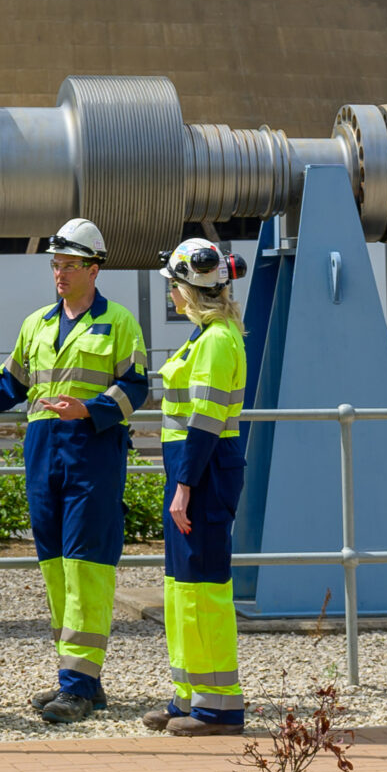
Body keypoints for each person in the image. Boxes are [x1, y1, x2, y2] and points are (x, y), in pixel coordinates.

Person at [0, 220, 147, 722]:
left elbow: (137, 387)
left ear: (94, 267)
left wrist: (88, 410)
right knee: (56, 571)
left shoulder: (119, 323)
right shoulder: (37, 324)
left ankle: (78, 686)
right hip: (43, 456)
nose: (59, 274)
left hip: (93, 455)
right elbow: (6, 387)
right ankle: (80, 678)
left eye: (68, 265)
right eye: (55, 265)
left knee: (86, 570)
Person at [147, 235, 249, 736]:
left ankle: (219, 708)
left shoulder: (215, 341)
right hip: (195, 471)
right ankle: (189, 694)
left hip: (202, 474)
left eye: (173, 286)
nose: (170, 294)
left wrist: (184, 486)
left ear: (189, 289)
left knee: (204, 588)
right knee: (181, 588)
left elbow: (206, 420)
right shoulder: (207, 336)